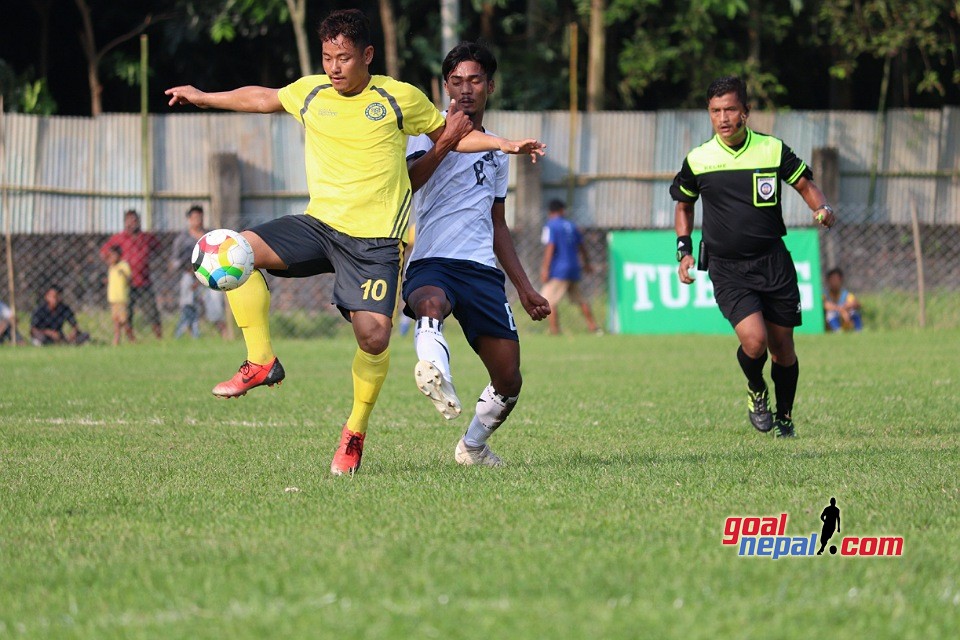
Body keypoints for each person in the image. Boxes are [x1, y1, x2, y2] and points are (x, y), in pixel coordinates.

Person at [165, 9, 544, 475]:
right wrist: (204, 97)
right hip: (319, 224)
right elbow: (262, 97)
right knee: (232, 249)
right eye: (327, 58)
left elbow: (451, 136)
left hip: (374, 244)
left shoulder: (398, 98)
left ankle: (355, 431)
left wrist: (503, 145)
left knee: (375, 337)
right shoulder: (312, 92)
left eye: (343, 57)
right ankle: (260, 360)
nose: (334, 68)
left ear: (366, 54)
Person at [402, 41, 551, 466]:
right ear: (445, 86)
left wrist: (524, 288)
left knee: (509, 378)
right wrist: (446, 141)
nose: (465, 89)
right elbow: (409, 181)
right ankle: (436, 373)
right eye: (456, 81)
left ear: (490, 86)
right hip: (432, 260)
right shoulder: (424, 132)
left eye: (474, 80)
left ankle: (472, 446)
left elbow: (498, 223)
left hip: (482, 269)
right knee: (430, 302)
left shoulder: (497, 149)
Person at [671, 76, 836, 438]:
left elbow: (805, 185)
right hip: (727, 267)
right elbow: (684, 205)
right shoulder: (699, 160)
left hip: (773, 261)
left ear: (745, 112)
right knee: (754, 341)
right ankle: (756, 389)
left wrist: (820, 207)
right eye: (716, 111)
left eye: (730, 109)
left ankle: (786, 418)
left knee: (783, 349)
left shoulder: (772, 150)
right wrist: (683, 249)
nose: (723, 117)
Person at [539, 199, 600, 335]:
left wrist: (545, 269)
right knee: (580, 299)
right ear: (562, 210)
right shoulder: (572, 226)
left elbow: (550, 247)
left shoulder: (551, 226)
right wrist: (587, 263)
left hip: (559, 270)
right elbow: (582, 247)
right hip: (574, 268)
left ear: (550, 212)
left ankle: (554, 330)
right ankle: (593, 326)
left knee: (548, 300)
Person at [100, 209, 163, 338]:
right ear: (124, 222)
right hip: (126, 283)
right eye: (129, 221)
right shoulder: (118, 238)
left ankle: (159, 337)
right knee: (127, 313)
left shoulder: (146, 237)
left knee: (152, 311)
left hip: (143, 281)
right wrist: (113, 265)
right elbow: (104, 253)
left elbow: (158, 249)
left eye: (134, 220)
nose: (132, 224)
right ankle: (131, 339)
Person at [105, 245, 136, 345]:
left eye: (113, 255)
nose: (111, 258)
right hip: (113, 298)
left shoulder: (123, 265)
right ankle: (117, 339)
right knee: (116, 321)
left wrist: (123, 274)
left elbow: (129, 279)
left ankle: (131, 338)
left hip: (121, 298)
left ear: (119, 255)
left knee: (124, 321)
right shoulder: (111, 267)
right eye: (109, 256)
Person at [823, 267, 862, 332]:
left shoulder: (845, 294)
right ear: (828, 281)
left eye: (836, 279)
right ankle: (837, 331)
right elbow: (825, 304)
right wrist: (841, 310)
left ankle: (858, 331)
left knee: (854, 313)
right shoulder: (824, 294)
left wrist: (851, 305)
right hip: (829, 325)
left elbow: (856, 303)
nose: (834, 282)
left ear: (841, 280)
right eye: (832, 279)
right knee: (830, 314)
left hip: (845, 322)